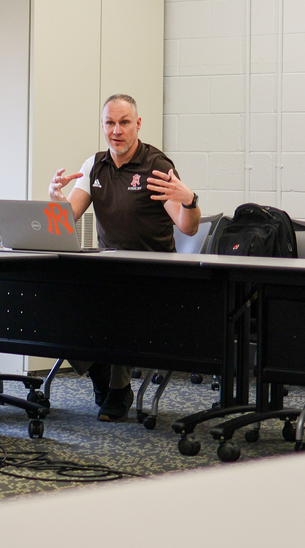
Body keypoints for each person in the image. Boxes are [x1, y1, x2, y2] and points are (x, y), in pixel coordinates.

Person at [49, 93, 200, 422]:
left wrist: (190, 200)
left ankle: (117, 387)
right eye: (110, 123)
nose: (116, 130)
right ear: (103, 126)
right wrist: (54, 198)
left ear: (138, 124)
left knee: (114, 300)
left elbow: (188, 228)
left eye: (124, 122)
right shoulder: (95, 165)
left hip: (153, 273)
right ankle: (100, 371)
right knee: (63, 297)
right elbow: (64, 220)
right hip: (107, 268)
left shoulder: (156, 166)